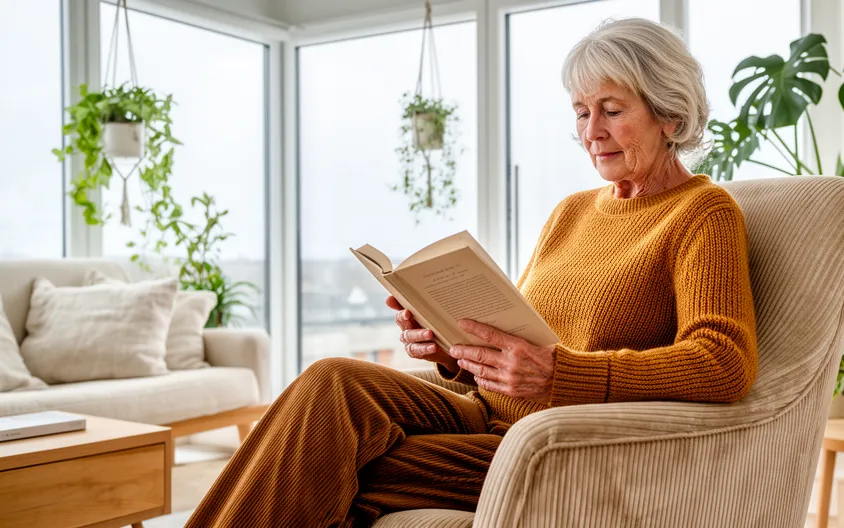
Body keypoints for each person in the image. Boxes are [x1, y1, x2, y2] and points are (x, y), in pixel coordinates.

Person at [186, 17, 757, 528]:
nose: (591, 132)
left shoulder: (702, 213)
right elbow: (518, 343)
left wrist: (562, 376)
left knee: (319, 462)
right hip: (481, 414)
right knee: (331, 380)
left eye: (611, 110)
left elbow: (724, 362)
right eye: (582, 113)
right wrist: (448, 349)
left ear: (669, 112)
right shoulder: (572, 212)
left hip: (565, 444)